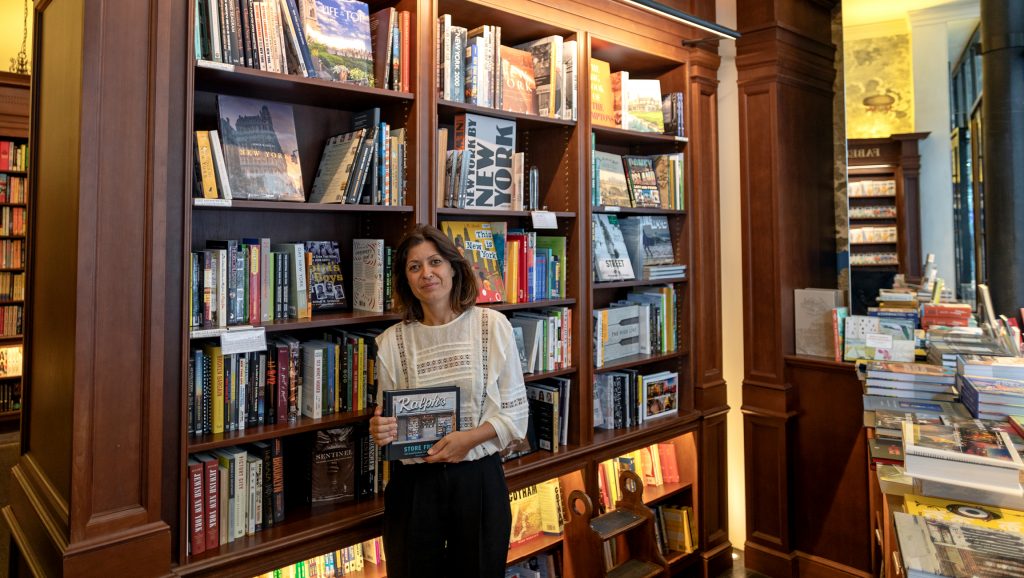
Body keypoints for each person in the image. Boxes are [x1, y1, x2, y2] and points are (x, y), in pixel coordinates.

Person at [369, 224, 529, 577]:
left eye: (435, 262)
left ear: (454, 268)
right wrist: (381, 428)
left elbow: (516, 416)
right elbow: (388, 421)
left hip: (478, 481)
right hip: (414, 487)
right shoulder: (391, 343)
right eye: (414, 267)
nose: (427, 273)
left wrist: (466, 441)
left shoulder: (493, 325)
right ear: (406, 279)